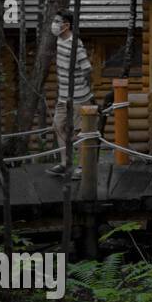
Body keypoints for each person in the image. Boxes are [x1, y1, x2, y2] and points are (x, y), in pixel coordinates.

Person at [46, 9, 93, 180]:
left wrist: (84, 87)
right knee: (58, 126)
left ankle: (81, 167)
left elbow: (87, 68)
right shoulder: (59, 40)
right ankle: (65, 163)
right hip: (63, 96)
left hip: (78, 96)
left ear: (66, 25)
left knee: (80, 131)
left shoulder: (76, 44)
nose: (55, 24)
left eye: (58, 21)